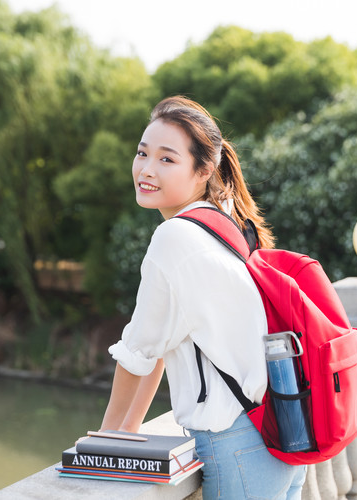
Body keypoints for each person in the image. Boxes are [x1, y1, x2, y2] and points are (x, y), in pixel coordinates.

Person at [89, 96, 307, 499]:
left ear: (203, 170)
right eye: (142, 153)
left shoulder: (176, 236)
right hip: (279, 432)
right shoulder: (224, 223)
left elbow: (137, 352)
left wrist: (105, 441)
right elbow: (159, 339)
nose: (146, 169)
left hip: (239, 446)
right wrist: (126, 433)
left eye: (167, 159)